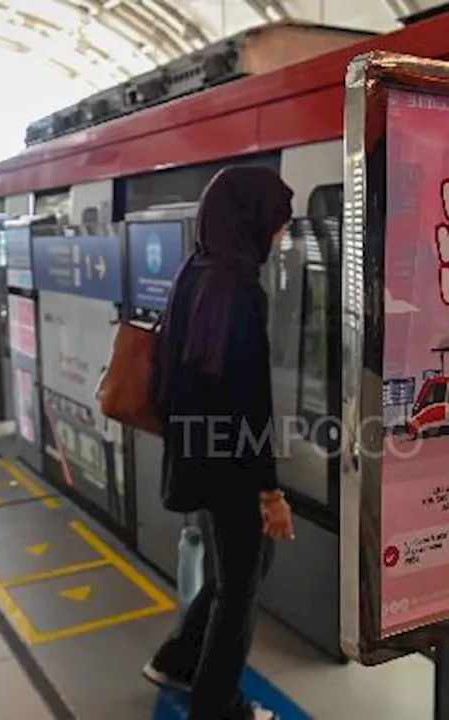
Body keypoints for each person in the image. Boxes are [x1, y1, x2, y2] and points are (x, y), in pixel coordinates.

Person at [143, 166, 297, 720]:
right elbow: (248, 399)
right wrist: (269, 492)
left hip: (197, 455)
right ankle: (218, 707)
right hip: (229, 462)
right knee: (240, 591)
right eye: (278, 224)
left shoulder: (196, 272)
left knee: (245, 567)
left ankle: (178, 659)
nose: (281, 236)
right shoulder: (240, 289)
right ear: (251, 220)